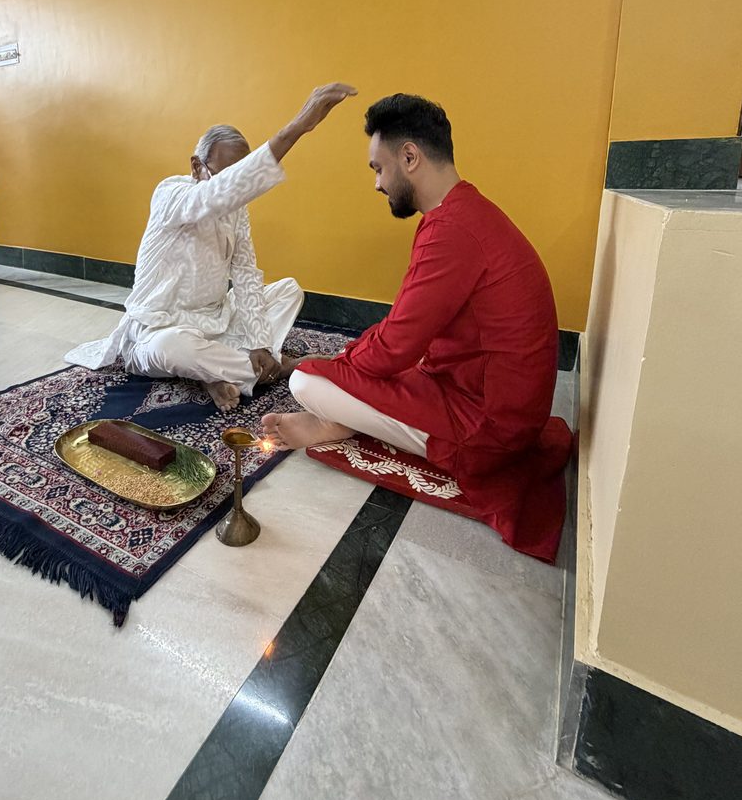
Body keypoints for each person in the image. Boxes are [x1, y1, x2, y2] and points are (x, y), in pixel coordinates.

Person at [262, 93, 572, 561]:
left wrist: (333, 364)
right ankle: (344, 417)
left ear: (410, 157)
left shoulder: (450, 230)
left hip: (489, 430)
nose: (377, 183)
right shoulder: (468, 211)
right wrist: (352, 360)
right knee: (359, 363)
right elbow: (406, 328)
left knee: (306, 379)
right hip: (490, 398)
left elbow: (394, 348)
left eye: (378, 168)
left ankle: (337, 422)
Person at [66, 83, 357, 411]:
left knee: (288, 291)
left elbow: (244, 274)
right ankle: (275, 368)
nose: (234, 190)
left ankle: (217, 371)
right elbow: (217, 194)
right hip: (159, 328)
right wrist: (296, 128)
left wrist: (259, 342)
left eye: (238, 178)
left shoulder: (237, 212)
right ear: (196, 166)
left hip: (215, 320)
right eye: (223, 176)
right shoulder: (171, 195)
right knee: (174, 349)